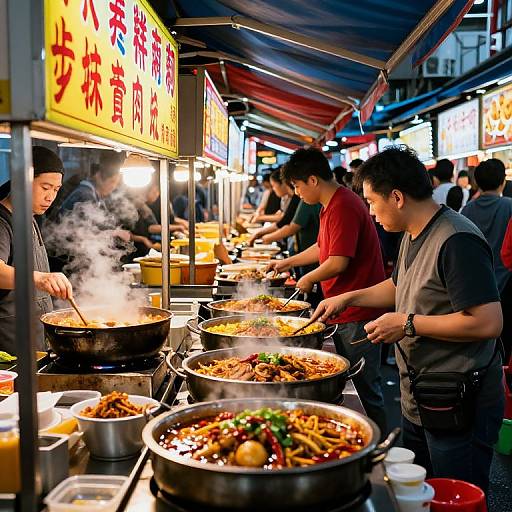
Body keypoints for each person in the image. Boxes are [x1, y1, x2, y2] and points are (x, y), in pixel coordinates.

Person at [310, 146, 503, 493]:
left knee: (457, 492)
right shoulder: (413, 233)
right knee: (420, 491)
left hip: (459, 394)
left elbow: (488, 322)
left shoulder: (457, 239)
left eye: (372, 201)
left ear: (396, 197)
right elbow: (399, 286)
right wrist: (347, 297)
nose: (369, 212)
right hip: (422, 392)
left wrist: (407, 324)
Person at [268, 148, 387, 435]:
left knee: (364, 389)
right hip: (343, 309)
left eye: (297, 186)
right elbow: (323, 248)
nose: (297, 193)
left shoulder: (343, 205)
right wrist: (288, 262)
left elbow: (338, 261)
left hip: (358, 313)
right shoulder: (330, 205)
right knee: (355, 387)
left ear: (312, 180)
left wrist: (308, 278)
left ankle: (378, 451)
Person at [0, 146, 73, 354]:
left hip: (35, 344)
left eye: (56, 190)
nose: (51, 197)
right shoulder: (2, 221)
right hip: (9, 351)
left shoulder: (29, 218)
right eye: (45, 187)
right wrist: (40, 278)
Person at [461, 158, 512, 361]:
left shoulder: (467, 210)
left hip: (476, 286)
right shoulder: (509, 206)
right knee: (506, 338)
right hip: (507, 283)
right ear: (503, 182)